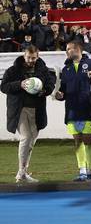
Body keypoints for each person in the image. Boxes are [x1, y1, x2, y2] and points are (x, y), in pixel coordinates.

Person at [1, 46, 56, 183]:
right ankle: (20, 172)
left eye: (34, 58)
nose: (31, 60)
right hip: (19, 110)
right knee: (26, 137)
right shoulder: (13, 70)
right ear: (24, 56)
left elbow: (50, 85)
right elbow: (3, 87)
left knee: (31, 141)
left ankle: (24, 172)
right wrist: (20, 84)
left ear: (37, 57)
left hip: (37, 110)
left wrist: (42, 91)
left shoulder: (43, 70)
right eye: (29, 57)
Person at [55, 41, 91, 181]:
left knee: (88, 141)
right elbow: (63, 89)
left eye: (69, 49)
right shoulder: (66, 69)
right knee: (78, 142)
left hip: (88, 110)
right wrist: (59, 95)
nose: (67, 52)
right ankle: (82, 171)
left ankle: (90, 171)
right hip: (71, 111)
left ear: (78, 49)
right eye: (66, 50)